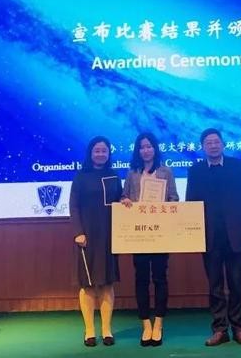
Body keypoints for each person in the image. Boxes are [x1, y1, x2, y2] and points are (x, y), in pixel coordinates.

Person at [185, 128, 241, 346]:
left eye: (216, 142)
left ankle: (239, 329)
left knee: (236, 285)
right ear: (203, 147)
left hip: (236, 236)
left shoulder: (237, 166)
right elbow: (191, 203)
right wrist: (191, 232)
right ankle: (220, 329)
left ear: (223, 144)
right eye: (208, 143)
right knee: (215, 287)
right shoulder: (196, 170)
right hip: (209, 237)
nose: (213, 145)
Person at [121, 132, 179, 347]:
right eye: (142, 147)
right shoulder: (132, 173)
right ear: (138, 150)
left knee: (160, 278)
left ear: (155, 148)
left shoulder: (166, 172)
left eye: (149, 146)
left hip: (161, 233)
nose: (146, 150)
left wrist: (166, 206)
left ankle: (159, 323)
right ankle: (145, 323)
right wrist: (126, 201)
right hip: (139, 234)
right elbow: (124, 196)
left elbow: (174, 198)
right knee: (141, 279)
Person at [69, 136, 122, 347]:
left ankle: (106, 330)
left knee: (107, 283)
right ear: (90, 153)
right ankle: (89, 331)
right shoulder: (80, 177)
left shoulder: (114, 176)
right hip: (86, 238)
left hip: (109, 236)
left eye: (104, 151)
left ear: (109, 154)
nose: (101, 154)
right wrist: (78, 232)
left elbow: (119, 201)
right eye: (97, 150)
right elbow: (73, 207)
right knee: (88, 285)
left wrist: (125, 201)